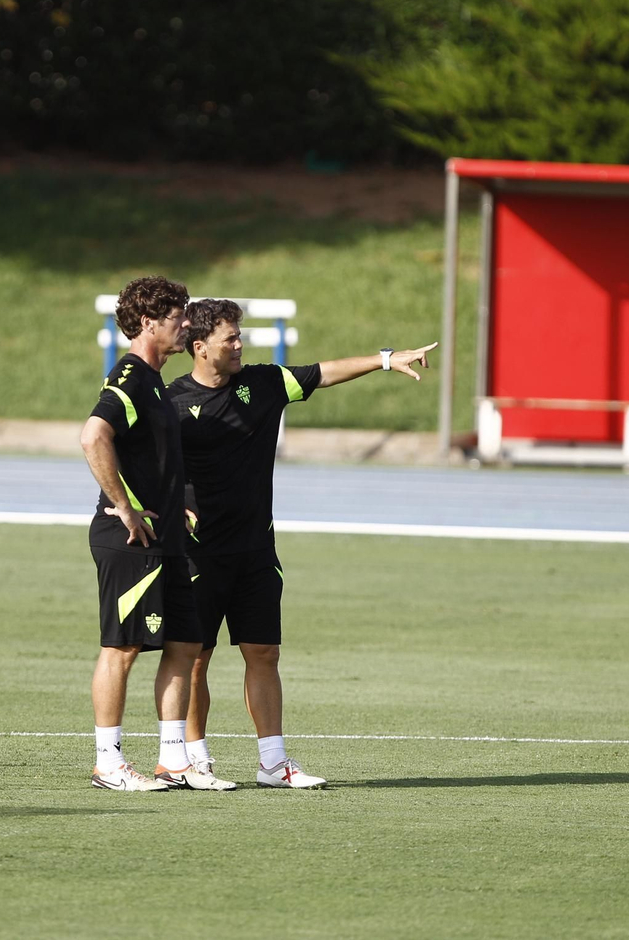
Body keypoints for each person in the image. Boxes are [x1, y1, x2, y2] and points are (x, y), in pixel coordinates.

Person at [168, 298, 437, 789]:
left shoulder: (263, 383)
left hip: (255, 550)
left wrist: (384, 359)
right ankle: (194, 760)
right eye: (230, 338)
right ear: (200, 346)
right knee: (195, 657)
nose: (239, 344)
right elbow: (139, 460)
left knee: (264, 653)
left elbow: (322, 373)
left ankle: (273, 763)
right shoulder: (171, 402)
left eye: (239, 336)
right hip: (197, 552)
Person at [79, 276, 235, 792]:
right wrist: (123, 506)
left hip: (167, 540)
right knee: (122, 649)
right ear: (148, 323)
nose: (186, 324)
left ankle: (174, 760)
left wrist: (178, 504)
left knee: (186, 642)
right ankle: (108, 763)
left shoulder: (153, 381)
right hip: (130, 541)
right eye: (177, 317)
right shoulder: (128, 374)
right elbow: (92, 435)